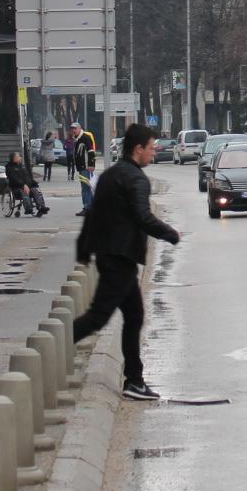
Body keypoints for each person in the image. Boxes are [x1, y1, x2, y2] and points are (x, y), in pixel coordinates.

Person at [75, 124, 182, 401]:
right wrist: (170, 233)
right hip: (120, 258)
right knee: (98, 317)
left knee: (134, 316)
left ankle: (134, 380)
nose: (154, 152)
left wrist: (84, 249)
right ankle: (57, 345)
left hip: (110, 256)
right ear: (138, 149)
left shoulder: (111, 175)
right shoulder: (136, 180)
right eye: (151, 147)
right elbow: (142, 216)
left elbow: (92, 214)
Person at [5, 151, 48, 216]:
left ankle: (42, 207)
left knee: (35, 191)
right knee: (24, 191)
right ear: (14, 158)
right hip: (16, 187)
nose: (21, 158)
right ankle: (28, 208)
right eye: (19, 156)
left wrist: (33, 183)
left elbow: (27, 177)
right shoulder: (9, 167)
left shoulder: (22, 166)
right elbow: (14, 179)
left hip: (26, 186)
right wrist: (23, 185)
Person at [71, 122, 98, 215]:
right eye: (72, 129)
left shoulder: (85, 138)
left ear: (79, 128)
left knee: (85, 188)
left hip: (85, 167)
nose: (73, 130)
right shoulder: (77, 139)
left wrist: (91, 164)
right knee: (86, 188)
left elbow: (91, 151)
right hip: (81, 167)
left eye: (75, 128)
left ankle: (87, 208)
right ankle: (90, 207)